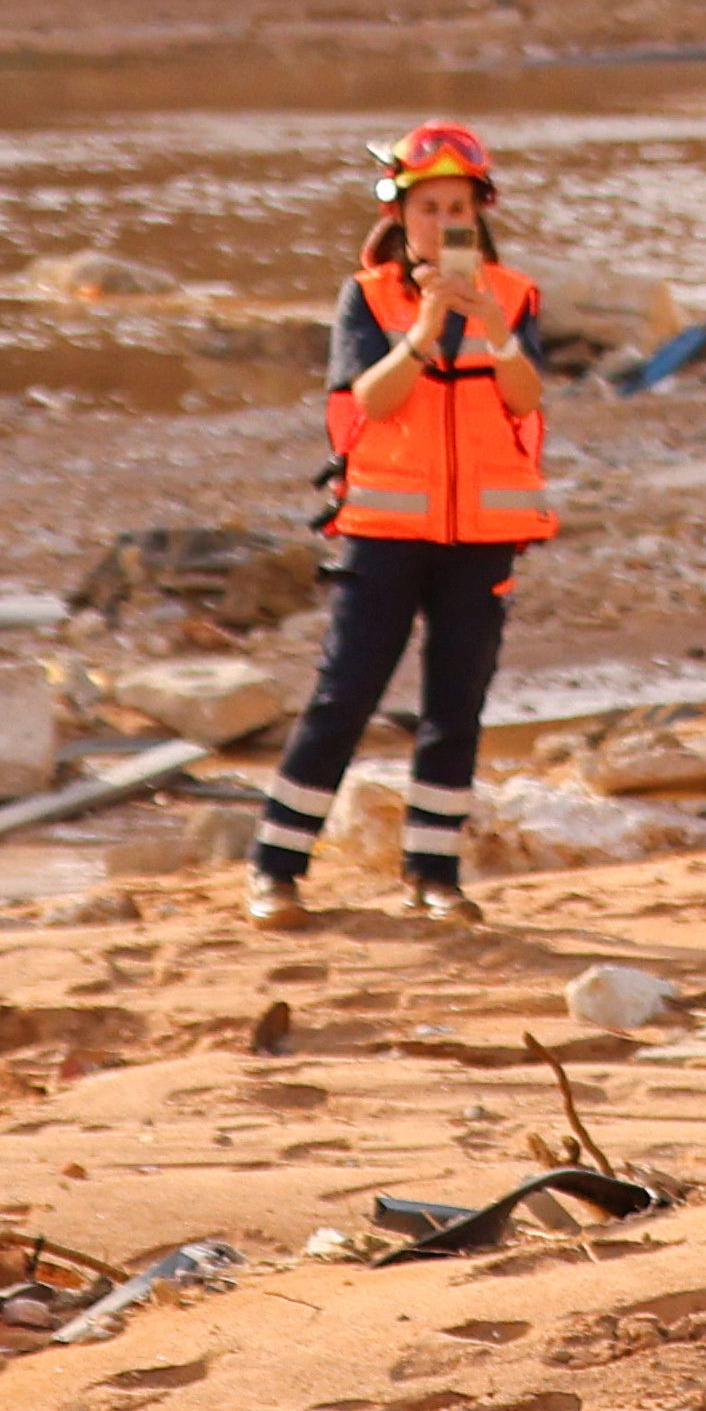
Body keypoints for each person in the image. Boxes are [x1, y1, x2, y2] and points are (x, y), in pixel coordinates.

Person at [248, 123, 550, 928]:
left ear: (478, 216)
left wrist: (489, 323)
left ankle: (435, 878)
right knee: (344, 695)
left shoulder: (515, 295)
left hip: (482, 535)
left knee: (458, 704)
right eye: (428, 207)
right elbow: (369, 399)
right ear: (402, 215)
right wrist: (423, 329)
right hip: (385, 532)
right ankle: (275, 868)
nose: (443, 221)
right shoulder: (369, 296)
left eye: (458, 207)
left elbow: (525, 397)